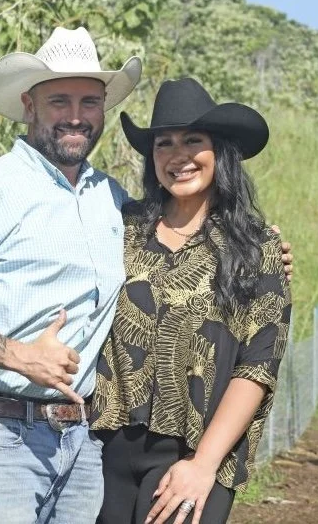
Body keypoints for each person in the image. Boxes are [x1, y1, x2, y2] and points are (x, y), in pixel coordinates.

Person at [0, 27, 292, 524]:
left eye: (89, 102)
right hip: (2, 436)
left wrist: (266, 252)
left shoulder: (110, 202)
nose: (74, 115)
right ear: (28, 105)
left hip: (83, 446)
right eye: (58, 100)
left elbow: (256, 363)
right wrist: (22, 357)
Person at [90, 77, 292, 524]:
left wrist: (203, 465)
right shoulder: (120, 229)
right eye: (164, 143)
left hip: (196, 455)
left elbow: (257, 368)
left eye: (192, 141)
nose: (178, 155)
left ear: (220, 151)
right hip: (103, 452)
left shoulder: (256, 251)